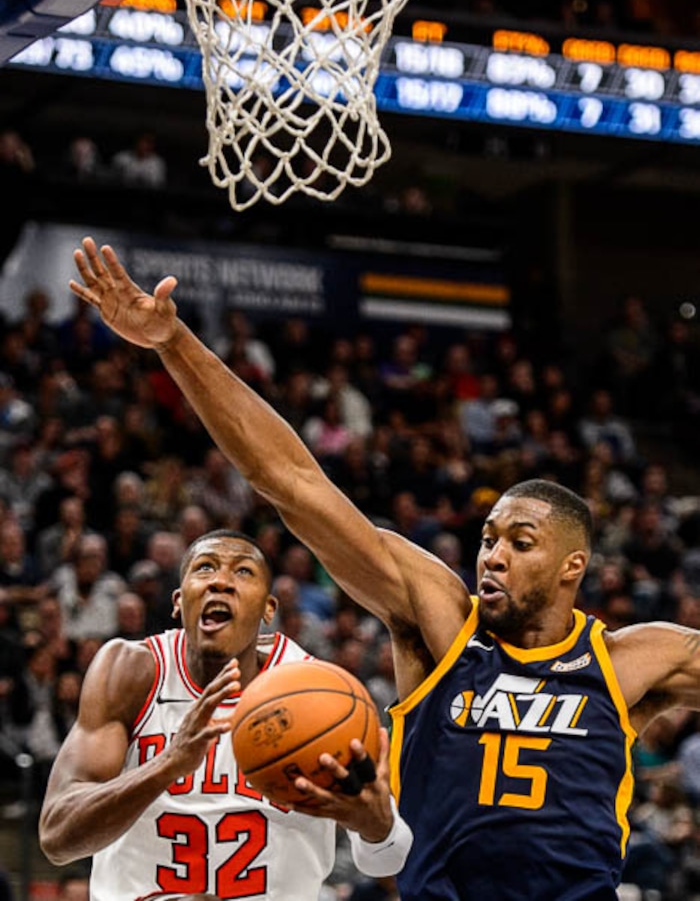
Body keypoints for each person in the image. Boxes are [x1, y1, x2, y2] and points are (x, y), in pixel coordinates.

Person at [68, 237, 700, 900]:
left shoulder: (633, 660)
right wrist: (174, 344)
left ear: (573, 565)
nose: (493, 554)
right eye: (488, 538)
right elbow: (290, 481)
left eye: (520, 541)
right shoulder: (444, 627)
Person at [38, 528, 411, 901]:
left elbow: (387, 860)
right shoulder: (132, 672)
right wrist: (167, 765)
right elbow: (57, 837)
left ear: (268, 609)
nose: (221, 582)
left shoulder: (319, 695)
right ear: (178, 601)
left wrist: (374, 825)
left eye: (243, 572)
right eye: (205, 568)